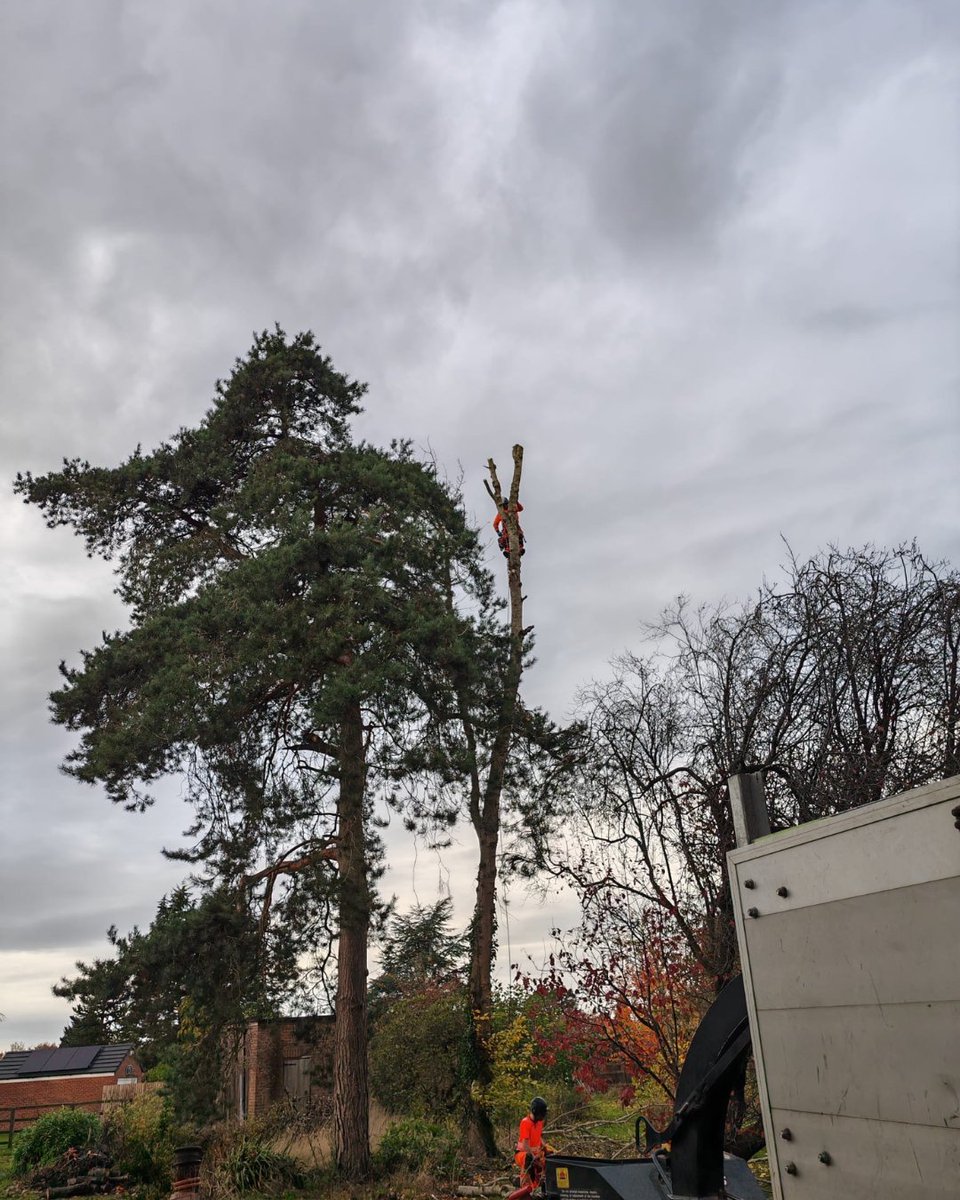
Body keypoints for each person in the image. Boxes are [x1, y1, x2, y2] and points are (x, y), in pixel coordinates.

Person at [514, 1095, 554, 1189]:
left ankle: (542, 1184)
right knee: (529, 1158)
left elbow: (538, 1137)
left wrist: (545, 1148)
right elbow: (525, 1145)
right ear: (536, 1112)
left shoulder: (539, 1123)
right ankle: (524, 1185)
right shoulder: (525, 1122)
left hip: (535, 1153)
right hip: (522, 1154)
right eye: (541, 1114)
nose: (543, 1116)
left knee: (549, 1158)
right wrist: (534, 1157)